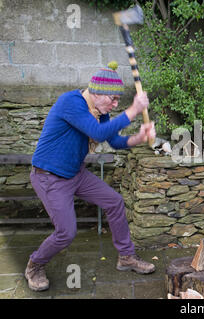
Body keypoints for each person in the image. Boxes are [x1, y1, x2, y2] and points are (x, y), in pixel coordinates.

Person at [25, 61, 156, 292]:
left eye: (118, 100)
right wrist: (133, 110)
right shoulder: (71, 102)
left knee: (114, 202)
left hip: (75, 174)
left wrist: (139, 137)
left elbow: (113, 141)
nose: (115, 105)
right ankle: (35, 264)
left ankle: (126, 257)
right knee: (66, 232)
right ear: (96, 92)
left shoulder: (99, 111)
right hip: (49, 177)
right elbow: (96, 133)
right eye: (112, 99)